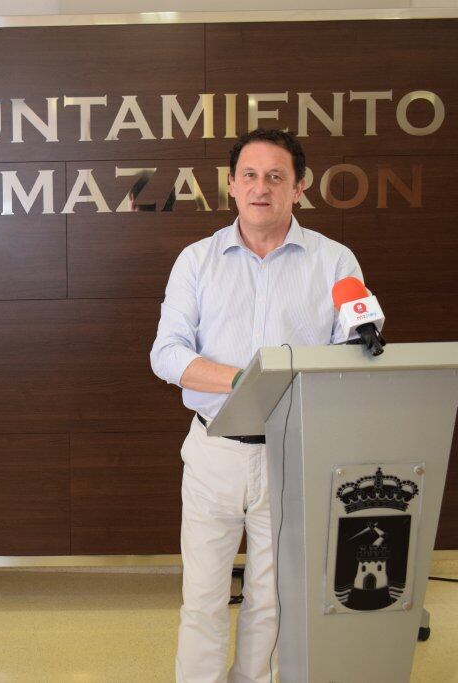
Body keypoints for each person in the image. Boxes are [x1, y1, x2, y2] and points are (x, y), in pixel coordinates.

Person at [150, 129, 362, 682]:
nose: (260, 188)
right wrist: (250, 380)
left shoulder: (335, 261)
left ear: (299, 187)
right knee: (201, 600)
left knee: (270, 601)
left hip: (291, 455)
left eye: (275, 176)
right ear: (231, 185)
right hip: (213, 449)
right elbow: (167, 354)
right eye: (249, 175)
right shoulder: (197, 261)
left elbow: (352, 352)